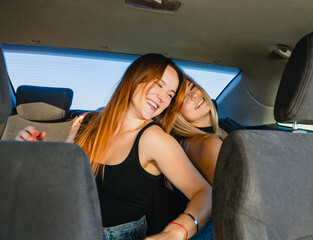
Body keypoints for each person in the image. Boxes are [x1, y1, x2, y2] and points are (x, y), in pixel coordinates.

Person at [15, 54, 212, 240]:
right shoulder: (85, 122)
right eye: (158, 85)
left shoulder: (155, 139)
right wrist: (36, 154)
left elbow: (205, 192)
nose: (163, 98)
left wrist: (177, 231)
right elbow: (62, 179)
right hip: (63, 226)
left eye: (170, 94)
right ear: (135, 78)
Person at [147, 76, 227, 239]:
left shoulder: (217, 132)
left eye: (192, 86)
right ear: (174, 115)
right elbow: (236, 199)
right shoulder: (206, 143)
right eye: (183, 99)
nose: (194, 95)